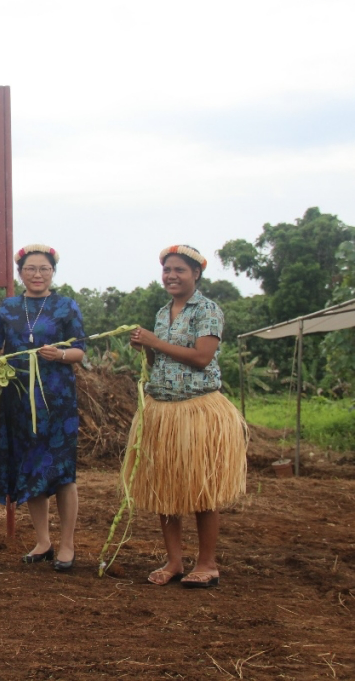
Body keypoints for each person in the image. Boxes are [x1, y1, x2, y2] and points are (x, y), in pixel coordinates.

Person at [128, 245, 247, 589]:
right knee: (166, 487)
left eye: (179, 270)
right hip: (162, 410)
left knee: (201, 489)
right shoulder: (164, 312)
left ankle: (207, 563)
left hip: (197, 410)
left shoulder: (207, 309)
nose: (172, 276)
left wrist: (155, 341)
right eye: (167, 270)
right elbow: (158, 364)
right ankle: (175, 561)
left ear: (196, 274)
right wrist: (147, 347)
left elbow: (202, 357)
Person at [0, 244, 86, 572]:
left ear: (53, 273)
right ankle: (42, 541)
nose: (37, 274)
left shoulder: (65, 306)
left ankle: (67, 544)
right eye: (31, 269)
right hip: (19, 398)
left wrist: (60, 355)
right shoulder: (8, 308)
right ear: (20, 272)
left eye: (44, 269)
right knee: (32, 466)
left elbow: (80, 350)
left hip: (57, 400)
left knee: (62, 472)